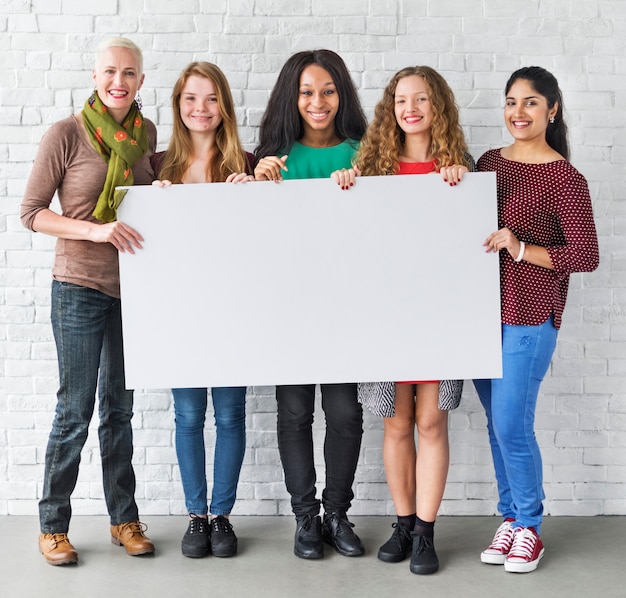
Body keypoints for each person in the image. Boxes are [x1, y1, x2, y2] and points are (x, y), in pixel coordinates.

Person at [20, 36, 157, 566]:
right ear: (95, 77)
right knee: (74, 411)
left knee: (119, 411)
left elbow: (146, 201)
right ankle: (53, 526)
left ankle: (124, 519)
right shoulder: (67, 133)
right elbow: (32, 212)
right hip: (78, 287)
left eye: (128, 73)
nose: (118, 81)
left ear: (141, 81)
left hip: (134, 292)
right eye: (109, 72)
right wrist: (96, 233)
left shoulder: (145, 135)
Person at [334, 66, 472, 575]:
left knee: (432, 421)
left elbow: (470, 243)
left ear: (439, 107)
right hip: (386, 313)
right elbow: (353, 237)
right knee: (396, 421)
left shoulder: (461, 169)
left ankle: (427, 534)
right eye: (400, 101)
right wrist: (347, 184)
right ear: (390, 111)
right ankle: (404, 522)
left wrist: (461, 185)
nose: (410, 108)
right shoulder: (370, 169)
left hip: (441, 314)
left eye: (421, 99)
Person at [472, 66, 599, 573]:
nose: (517, 112)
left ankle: (529, 526)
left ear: (553, 109)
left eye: (529, 103)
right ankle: (509, 517)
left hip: (530, 315)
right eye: (510, 102)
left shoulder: (565, 177)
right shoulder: (486, 162)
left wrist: (521, 247)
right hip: (480, 315)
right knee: (496, 427)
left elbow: (584, 256)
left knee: (512, 424)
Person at [253, 49, 368, 560]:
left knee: (345, 414)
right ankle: (305, 519)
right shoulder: (272, 160)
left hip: (346, 309)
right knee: (295, 413)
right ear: (291, 98)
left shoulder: (364, 153)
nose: (317, 102)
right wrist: (254, 188)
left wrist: (361, 183)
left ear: (341, 94)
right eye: (306, 92)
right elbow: (253, 239)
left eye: (327, 90)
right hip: (288, 309)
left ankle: (337, 513)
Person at [151, 61, 254, 559]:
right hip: (180, 314)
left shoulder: (246, 163)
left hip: (233, 313)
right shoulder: (157, 167)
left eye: (212, 98)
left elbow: (263, 240)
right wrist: (154, 205)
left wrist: (251, 196)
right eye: (192, 98)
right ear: (178, 106)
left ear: (224, 106)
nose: (201, 109)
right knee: (189, 416)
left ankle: (223, 516)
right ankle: (196, 517)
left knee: (231, 415)